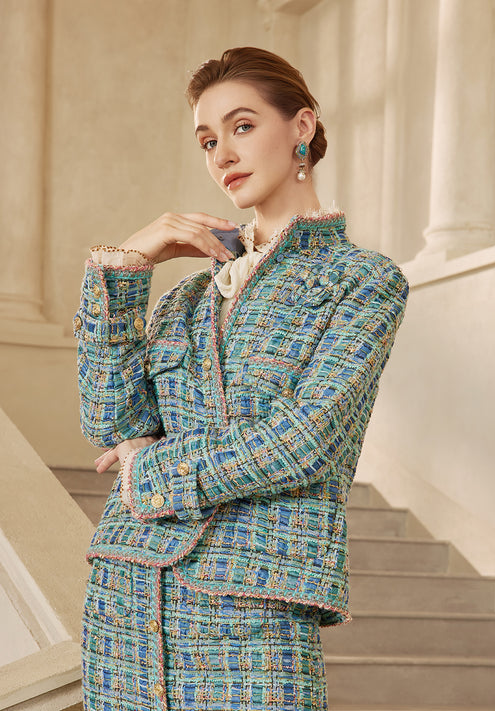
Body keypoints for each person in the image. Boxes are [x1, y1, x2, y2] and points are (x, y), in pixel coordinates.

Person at [73, 46, 408, 711]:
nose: (222, 154)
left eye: (242, 126)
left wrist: (150, 468)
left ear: (301, 127)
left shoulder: (362, 281)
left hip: (257, 599)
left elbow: (303, 442)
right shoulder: (185, 298)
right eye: (207, 140)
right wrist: (127, 266)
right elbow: (111, 422)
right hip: (126, 596)